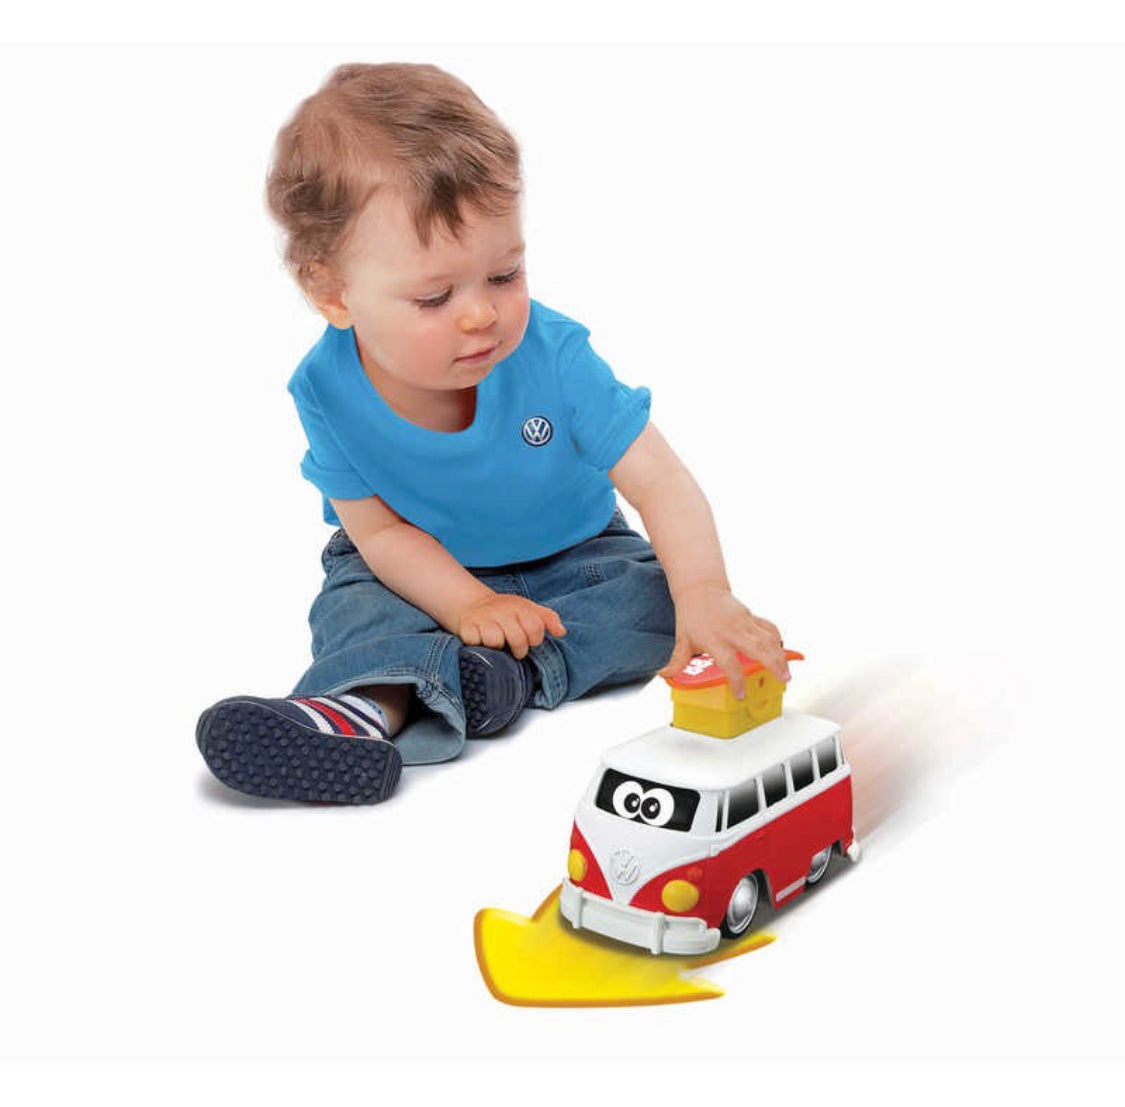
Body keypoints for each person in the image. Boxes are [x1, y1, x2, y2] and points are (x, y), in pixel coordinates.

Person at [195, 61, 790, 805]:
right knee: (360, 611)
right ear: (332, 292)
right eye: (435, 296)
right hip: (413, 566)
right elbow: (380, 535)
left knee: (653, 604)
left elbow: (659, 481)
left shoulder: (555, 356)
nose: (481, 314)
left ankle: (498, 673)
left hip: (575, 556)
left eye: (504, 276)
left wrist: (704, 592)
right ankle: (352, 714)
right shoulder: (323, 388)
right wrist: (467, 607)